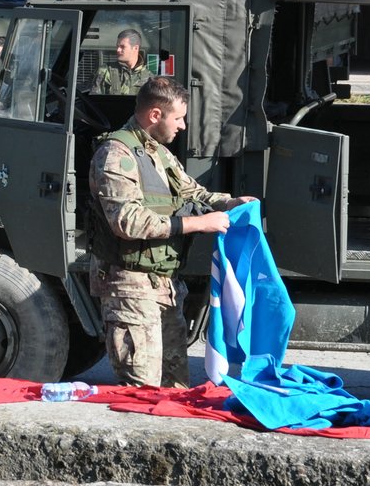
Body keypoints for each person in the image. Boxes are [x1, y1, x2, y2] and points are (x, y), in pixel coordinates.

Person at [89, 76, 257, 387]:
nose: (182, 126)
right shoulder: (116, 154)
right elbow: (126, 221)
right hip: (130, 288)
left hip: (163, 286)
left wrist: (230, 202)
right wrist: (195, 224)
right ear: (155, 115)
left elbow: (193, 194)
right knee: (142, 390)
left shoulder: (160, 154)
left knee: (175, 387)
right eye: (178, 118)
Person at [93, 28, 153, 95]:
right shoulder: (105, 71)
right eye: (117, 46)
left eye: (122, 47)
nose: (118, 50)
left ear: (135, 48)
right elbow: (94, 101)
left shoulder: (149, 78)